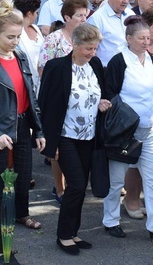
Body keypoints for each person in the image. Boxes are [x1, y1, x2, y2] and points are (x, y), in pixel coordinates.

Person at [0, 3, 46, 265]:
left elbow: (30, 96)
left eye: (18, 36)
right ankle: (5, 251)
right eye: (10, 36)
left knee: (19, 187)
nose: (15, 41)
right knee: (6, 192)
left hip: (22, 132)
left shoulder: (22, 57)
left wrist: (38, 129)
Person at [39, 24, 112, 255]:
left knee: (80, 188)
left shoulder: (96, 65)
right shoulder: (57, 67)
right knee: (77, 185)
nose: (92, 53)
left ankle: (73, 232)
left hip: (89, 136)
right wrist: (51, 144)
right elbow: (46, 104)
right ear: (75, 45)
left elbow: (103, 92)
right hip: (65, 136)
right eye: (88, 48)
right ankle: (63, 235)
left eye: (95, 48)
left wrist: (102, 102)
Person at [102, 16, 153, 241]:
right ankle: (111, 220)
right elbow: (110, 93)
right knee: (117, 179)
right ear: (128, 39)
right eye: (141, 38)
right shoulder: (119, 61)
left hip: (148, 129)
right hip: (124, 131)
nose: (146, 41)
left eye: (148, 37)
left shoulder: (152, 60)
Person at [38, 0, 89, 203]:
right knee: (58, 146)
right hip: (59, 100)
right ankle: (59, 189)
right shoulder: (54, 39)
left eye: (86, 15)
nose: (84, 19)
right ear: (67, 17)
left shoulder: (85, 38)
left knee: (76, 146)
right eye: (79, 15)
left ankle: (73, 184)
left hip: (81, 103)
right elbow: (43, 69)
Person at [88, 0, 134, 66]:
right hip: (107, 69)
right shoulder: (97, 18)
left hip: (130, 66)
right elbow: (90, 48)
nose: (126, 1)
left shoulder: (130, 14)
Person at [13, 0, 43, 93]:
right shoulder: (15, 33)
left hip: (40, 79)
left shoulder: (36, 28)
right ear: (29, 14)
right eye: (36, 12)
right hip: (23, 81)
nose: (37, 15)